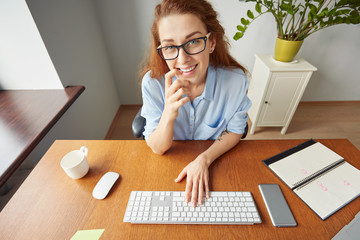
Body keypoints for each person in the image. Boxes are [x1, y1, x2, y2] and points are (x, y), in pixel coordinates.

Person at [140, 0, 251, 207]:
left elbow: (236, 130)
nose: (182, 59)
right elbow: (158, 148)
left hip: (216, 162)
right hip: (169, 164)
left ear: (211, 42)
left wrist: (204, 160)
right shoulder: (152, 84)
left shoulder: (235, 81)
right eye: (170, 46)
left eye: (193, 42)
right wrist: (169, 113)